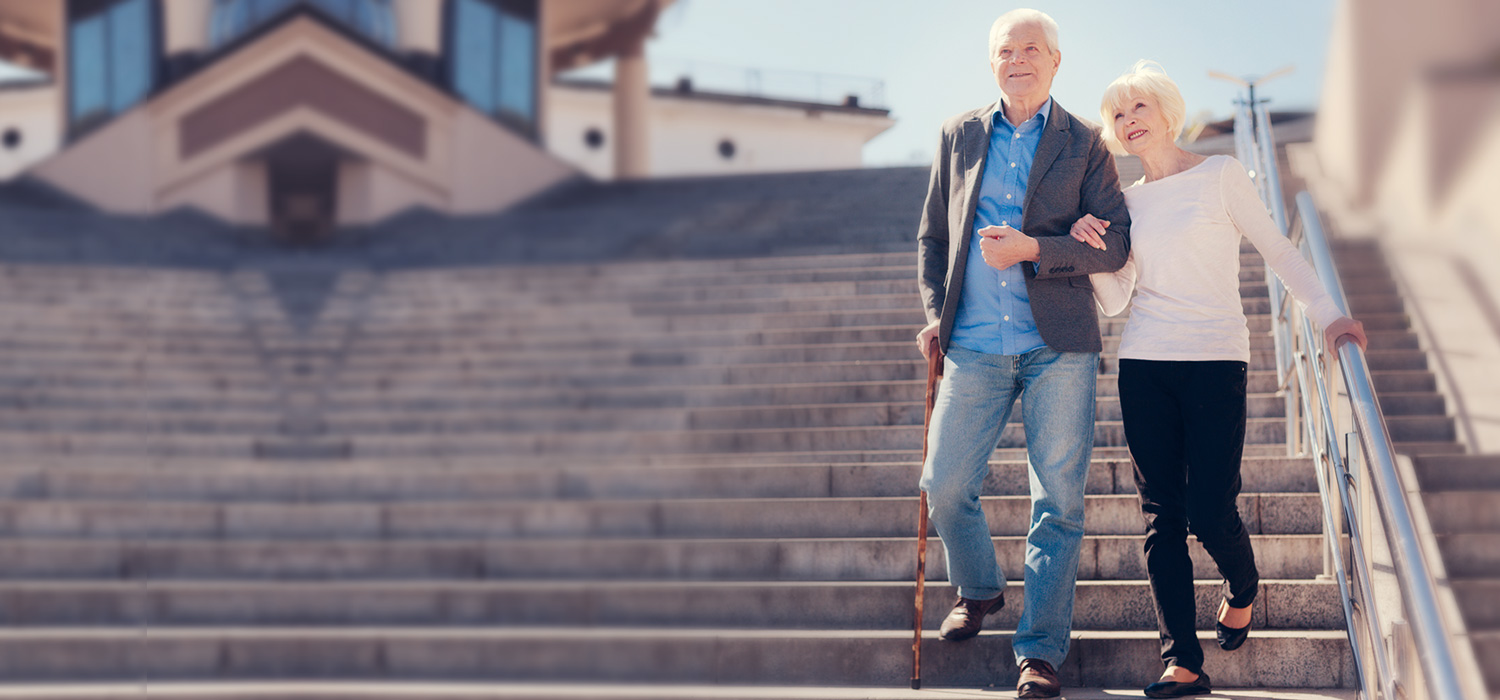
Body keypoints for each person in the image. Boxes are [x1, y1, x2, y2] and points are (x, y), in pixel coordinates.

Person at [1067, 60, 1367, 699]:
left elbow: (1278, 250)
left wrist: (1329, 315)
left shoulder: (1220, 175)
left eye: (1139, 108)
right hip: (1145, 365)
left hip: (1215, 361)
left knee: (1209, 507)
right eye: (1117, 115)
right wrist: (1093, 251)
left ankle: (1244, 582)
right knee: (1160, 518)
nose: (1128, 122)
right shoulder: (1121, 202)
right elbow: (1118, 300)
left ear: (1167, 112)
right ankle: (1183, 661)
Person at [914, 9, 1131, 698]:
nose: (1018, 60)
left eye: (1031, 49)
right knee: (943, 486)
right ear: (992, 63)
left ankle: (1039, 652)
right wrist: (934, 317)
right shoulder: (958, 135)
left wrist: (1039, 248)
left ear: (1056, 62)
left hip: (1056, 345)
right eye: (1005, 50)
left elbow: (1117, 241)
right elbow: (931, 240)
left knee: (1058, 503)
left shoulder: (1087, 143)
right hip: (973, 346)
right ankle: (979, 588)